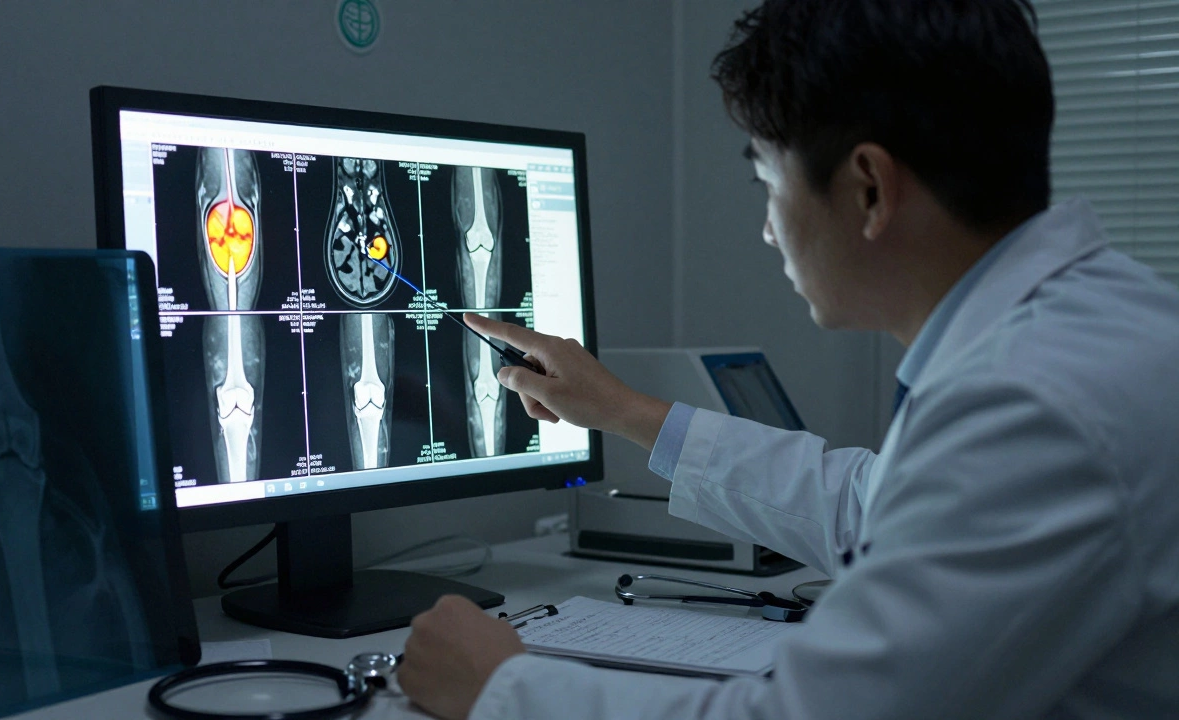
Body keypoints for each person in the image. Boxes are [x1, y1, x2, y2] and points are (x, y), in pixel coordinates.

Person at [397, 1, 1179, 718]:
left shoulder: (1034, 402)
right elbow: (869, 504)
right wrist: (622, 410)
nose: (769, 231)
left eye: (768, 182)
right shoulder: (1082, 327)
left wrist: (504, 689)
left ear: (869, 188)